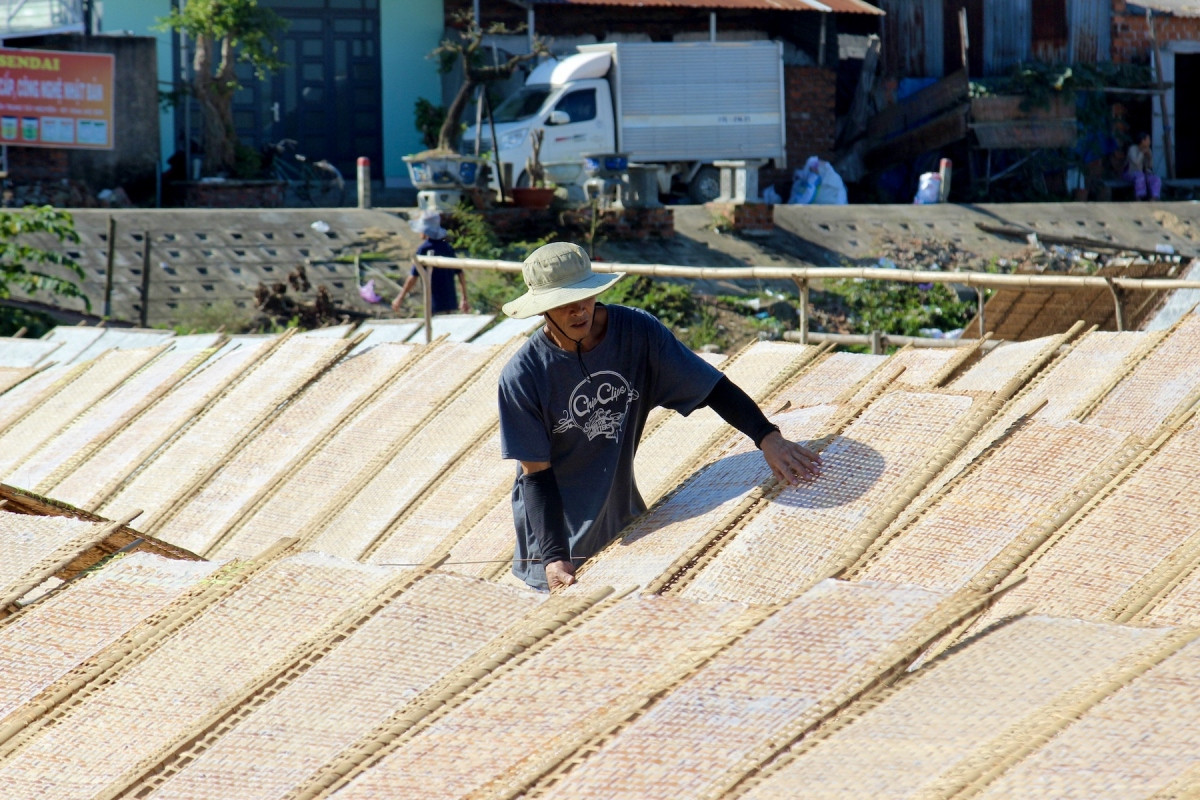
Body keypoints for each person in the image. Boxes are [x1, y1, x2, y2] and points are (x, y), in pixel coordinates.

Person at [497, 241, 823, 592]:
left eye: (585, 296)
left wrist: (767, 437)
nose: (579, 310)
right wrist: (554, 556)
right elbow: (536, 476)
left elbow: (709, 385)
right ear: (542, 310)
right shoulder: (523, 377)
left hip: (623, 521)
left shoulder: (637, 334)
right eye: (563, 304)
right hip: (552, 544)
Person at [392, 210, 470, 314]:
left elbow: (413, 277)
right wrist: (464, 298)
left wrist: (400, 297)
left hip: (434, 302)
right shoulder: (447, 247)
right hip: (450, 302)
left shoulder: (424, 249)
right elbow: (460, 273)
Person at [1123, 132, 1162, 201]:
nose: (1149, 141)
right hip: (1130, 173)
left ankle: (1154, 198)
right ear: (1142, 141)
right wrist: (1142, 153)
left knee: (1156, 178)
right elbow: (1136, 162)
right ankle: (1139, 198)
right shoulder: (1132, 149)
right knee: (1140, 175)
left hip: (1143, 174)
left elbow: (1150, 166)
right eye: (1148, 139)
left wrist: (1149, 157)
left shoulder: (1148, 149)